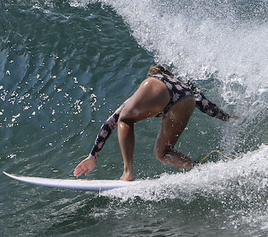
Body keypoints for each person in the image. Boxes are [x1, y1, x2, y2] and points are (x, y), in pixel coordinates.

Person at [73, 64, 234, 181]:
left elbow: (110, 123)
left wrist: (93, 156)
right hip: (187, 99)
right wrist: (230, 118)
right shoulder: (183, 84)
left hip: (159, 89)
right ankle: (199, 169)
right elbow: (208, 107)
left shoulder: (152, 82)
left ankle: (127, 173)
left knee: (125, 119)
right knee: (162, 153)